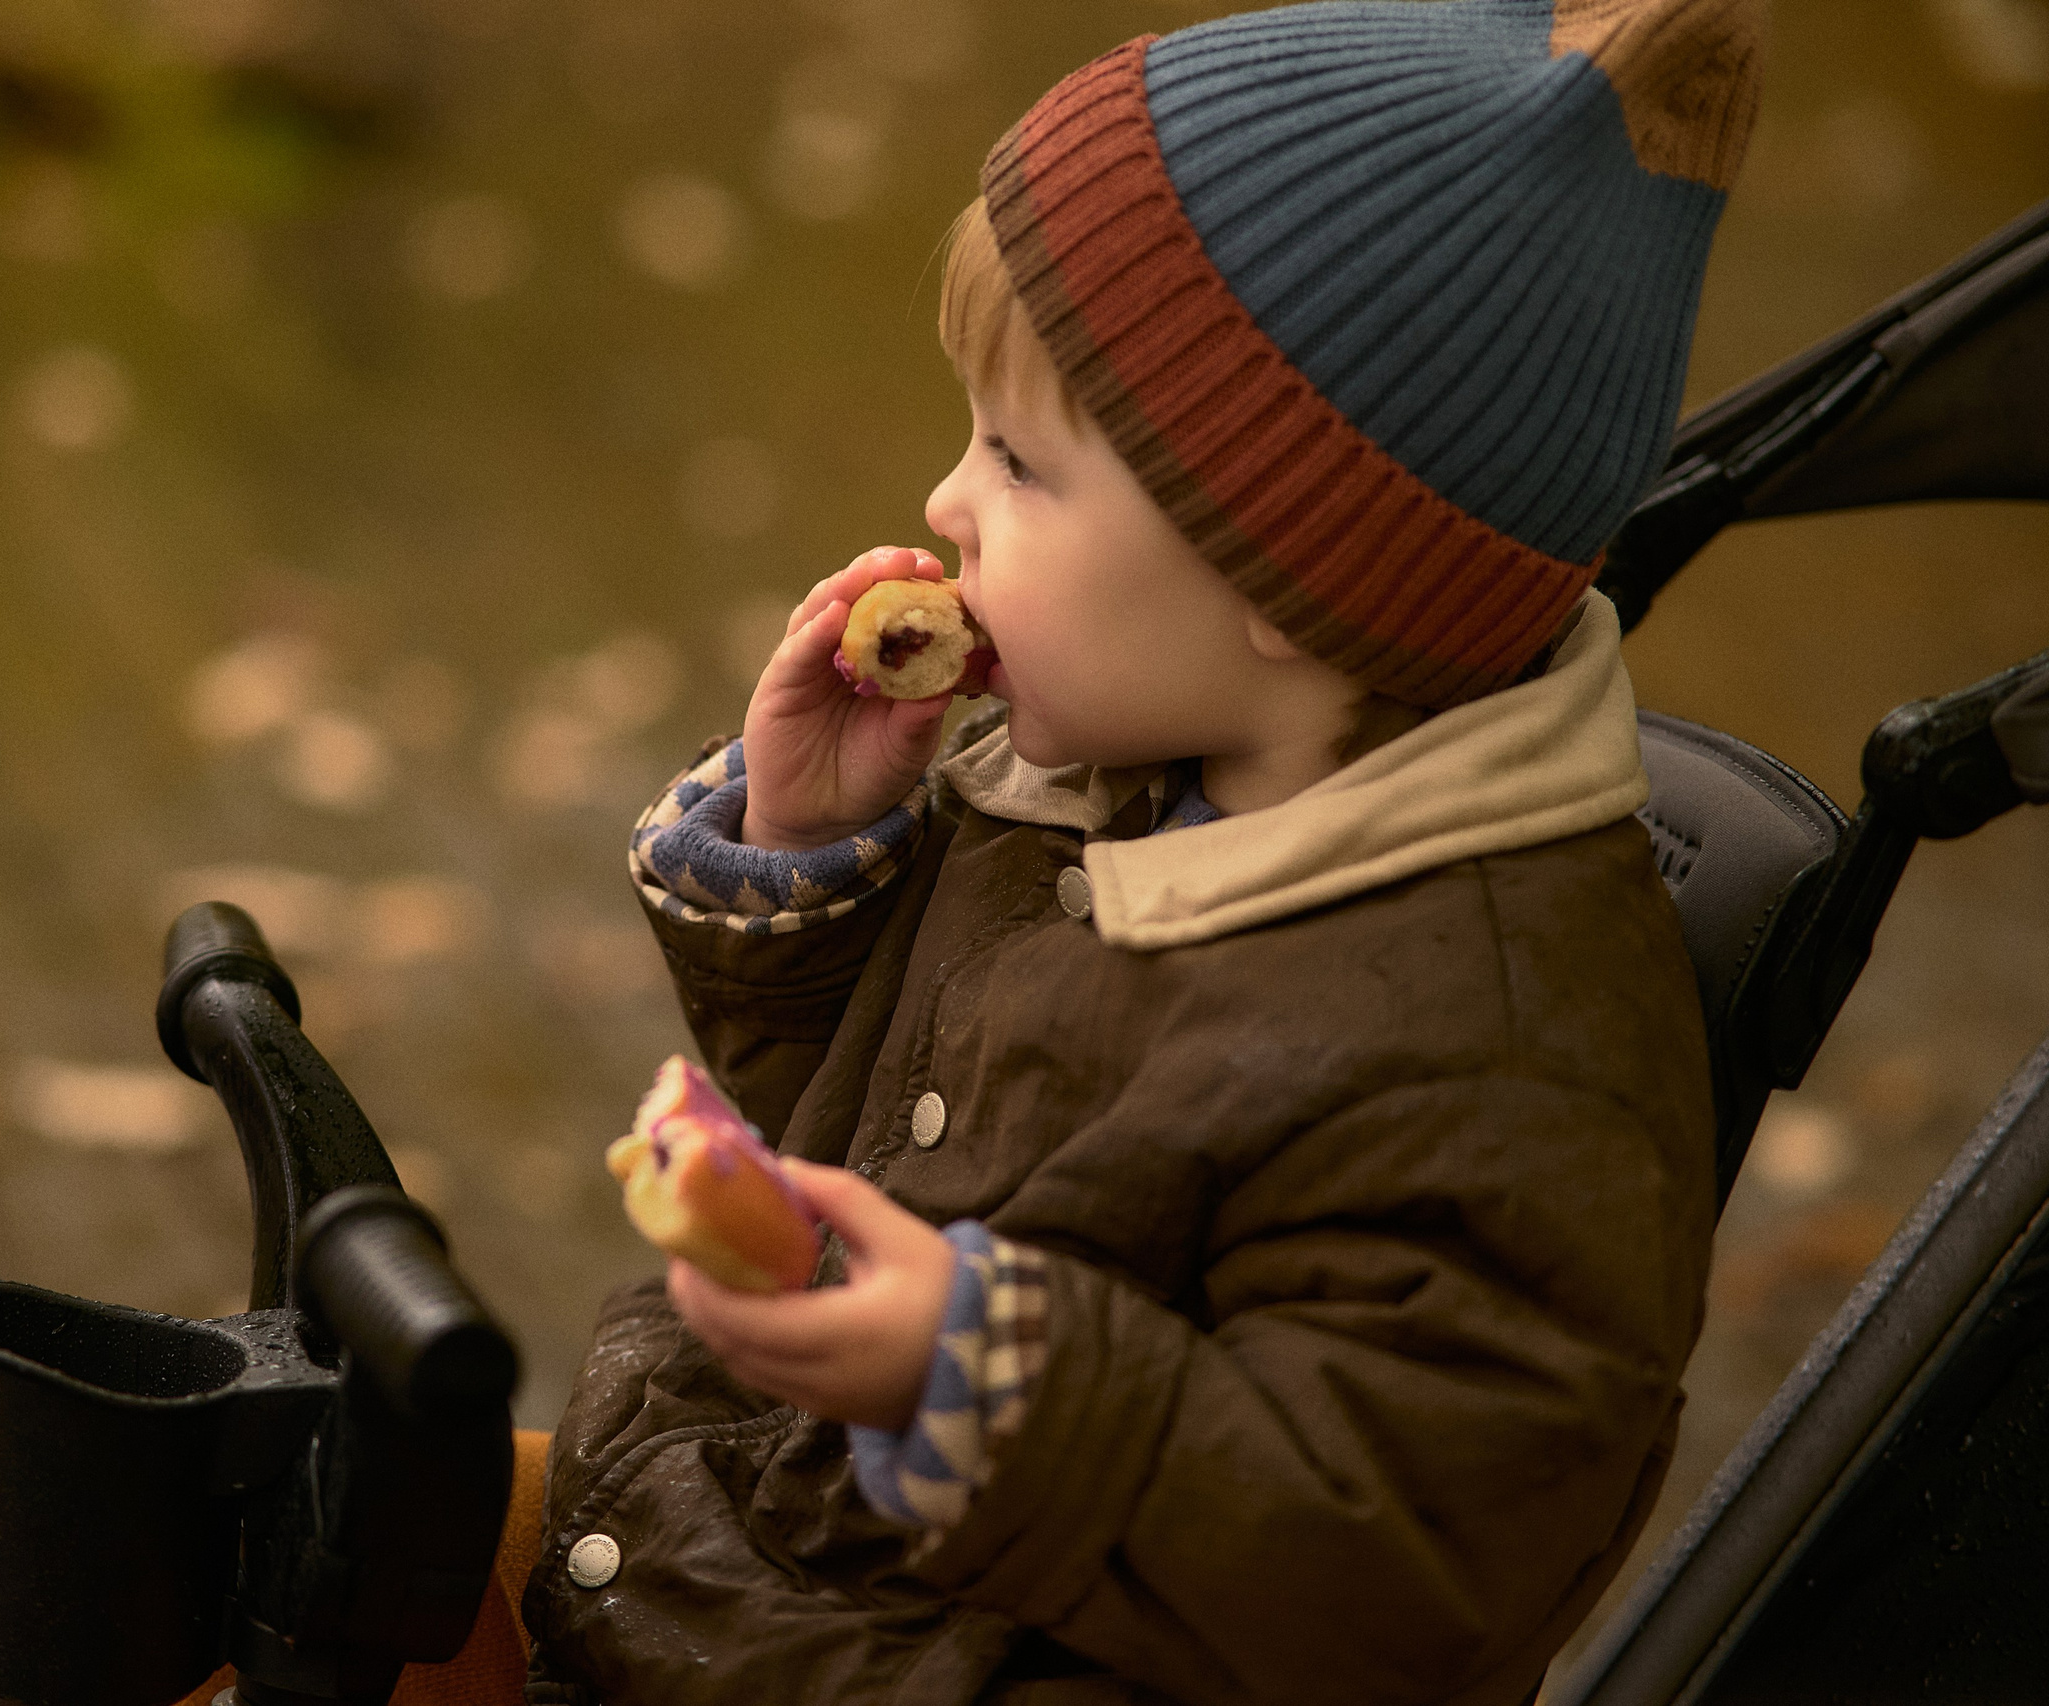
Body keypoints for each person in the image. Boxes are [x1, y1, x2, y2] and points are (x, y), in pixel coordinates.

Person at [522, 2, 1759, 1700]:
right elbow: (878, 1135)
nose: (947, 506)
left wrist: (981, 1384)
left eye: (1019, 462)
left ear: (1286, 572)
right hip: (746, 1563)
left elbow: (1406, 1557)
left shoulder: (1498, 1051)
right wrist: (816, 850)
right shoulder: (1120, 775)